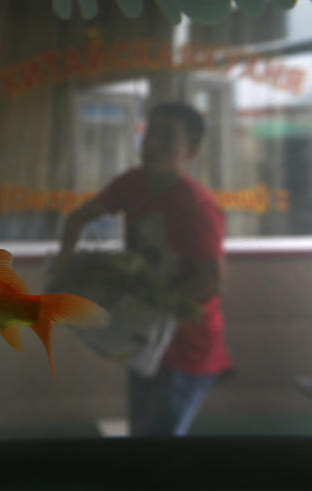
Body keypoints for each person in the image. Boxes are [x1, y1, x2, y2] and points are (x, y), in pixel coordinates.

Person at [58, 102, 231, 436]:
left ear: (191, 152)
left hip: (188, 347)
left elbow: (213, 280)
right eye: (151, 134)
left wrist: (155, 307)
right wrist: (66, 271)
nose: (153, 145)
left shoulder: (198, 206)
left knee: (156, 450)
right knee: (142, 439)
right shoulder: (133, 184)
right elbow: (76, 219)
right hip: (142, 341)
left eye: (167, 139)